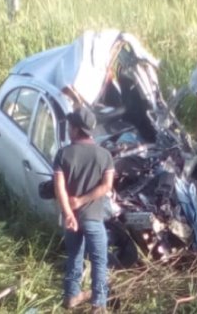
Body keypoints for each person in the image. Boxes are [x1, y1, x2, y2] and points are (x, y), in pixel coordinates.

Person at [53, 107, 114, 313]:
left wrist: (69, 212)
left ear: (78, 129)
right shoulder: (104, 155)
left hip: (72, 219)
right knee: (99, 259)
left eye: (71, 126)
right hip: (93, 218)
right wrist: (83, 200)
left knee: (74, 255)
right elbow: (107, 186)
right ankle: (98, 303)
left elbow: (59, 187)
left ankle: (71, 295)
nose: (69, 129)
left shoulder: (63, 154)